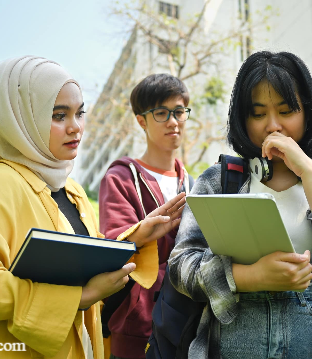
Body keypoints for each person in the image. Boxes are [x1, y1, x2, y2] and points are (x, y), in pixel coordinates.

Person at [0, 56, 185, 359]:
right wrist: (79, 296)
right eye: (58, 115)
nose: (75, 128)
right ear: (17, 118)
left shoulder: (74, 192)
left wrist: (135, 240)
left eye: (80, 113)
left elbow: (87, 267)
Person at [166, 51, 312, 359]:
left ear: (308, 112)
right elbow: (180, 267)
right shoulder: (219, 181)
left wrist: (309, 171)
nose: (273, 126)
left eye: (287, 110)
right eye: (258, 113)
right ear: (242, 117)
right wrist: (250, 277)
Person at [98, 73, 193, 359]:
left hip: (188, 321)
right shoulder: (121, 177)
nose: (173, 122)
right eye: (161, 113)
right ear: (142, 120)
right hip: (137, 325)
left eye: (178, 112)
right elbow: (112, 244)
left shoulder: (194, 183)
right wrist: (142, 233)